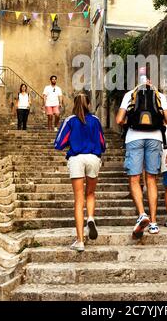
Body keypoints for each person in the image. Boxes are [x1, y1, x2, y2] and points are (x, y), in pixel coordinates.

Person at [116, 76, 167, 239]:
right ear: (150, 83)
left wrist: (129, 123)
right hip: (155, 138)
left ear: (138, 83)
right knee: (151, 180)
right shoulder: (159, 96)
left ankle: (142, 214)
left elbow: (119, 119)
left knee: (135, 179)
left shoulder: (130, 94)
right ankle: (154, 223)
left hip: (134, 138)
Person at [54, 92, 106, 252]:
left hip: (76, 159)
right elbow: (103, 144)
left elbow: (59, 143)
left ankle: (80, 240)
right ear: (89, 104)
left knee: (78, 199)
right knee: (90, 193)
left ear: (74, 104)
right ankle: (90, 218)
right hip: (93, 158)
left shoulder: (70, 121)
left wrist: (72, 141)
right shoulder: (96, 121)